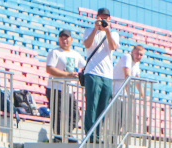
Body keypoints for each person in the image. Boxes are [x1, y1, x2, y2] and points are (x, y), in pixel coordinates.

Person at [82, 7, 119, 137]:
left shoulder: (113, 34)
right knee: (92, 104)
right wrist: (95, 29)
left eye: (105, 18)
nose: (103, 20)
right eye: (101, 18)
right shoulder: (89, 31)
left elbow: (113, 46)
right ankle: (90, 134)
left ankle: (97, 133)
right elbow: (87, 44)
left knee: (103, 107)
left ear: (109, 19)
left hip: (107, 74)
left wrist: (107, 30)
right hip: (92, 72)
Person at [45, 29, 85, 140]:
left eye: (66, 38)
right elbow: (49, 69)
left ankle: (66, 133)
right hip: (56, 88)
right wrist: (67, 74)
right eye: (62, 39)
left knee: (74, 114)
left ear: (71, 40)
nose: (64, 41)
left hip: (69, 90)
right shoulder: (55, 52)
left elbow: (85, 65)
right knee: (58, 114)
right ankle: (58, 136)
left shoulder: (75, 54)